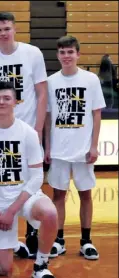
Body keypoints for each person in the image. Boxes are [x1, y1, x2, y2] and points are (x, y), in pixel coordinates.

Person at [0, 81, 59, 278]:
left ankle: (41, 266)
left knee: (50, 213)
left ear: (16, 102)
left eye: (6, 98)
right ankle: (9, 244)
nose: (1, 102)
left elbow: (37, 176)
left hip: (25, 197)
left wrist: (12, 210)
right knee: (2, 270)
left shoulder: (28, 133)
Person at [0, 12, 49, 257]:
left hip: (26, 131)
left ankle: (32, 232)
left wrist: (39, 129)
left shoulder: (32, 53)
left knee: (29, 182)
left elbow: (42, 93)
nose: (3, 33)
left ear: (15, 29)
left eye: (7, 28)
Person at [45, 35, 106, 260]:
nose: (66, 56)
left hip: (82, 150)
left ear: (78, 54)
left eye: (70, 52)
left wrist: (93, 146)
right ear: (58, 55)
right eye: (62, 52)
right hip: (59, 150)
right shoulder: (51, 81)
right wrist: (48, 147)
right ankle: (58, 240)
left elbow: (96, 114)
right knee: (58, 195)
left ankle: (86, 241)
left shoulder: (90, 80)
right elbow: (48, 117)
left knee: (85, 195)